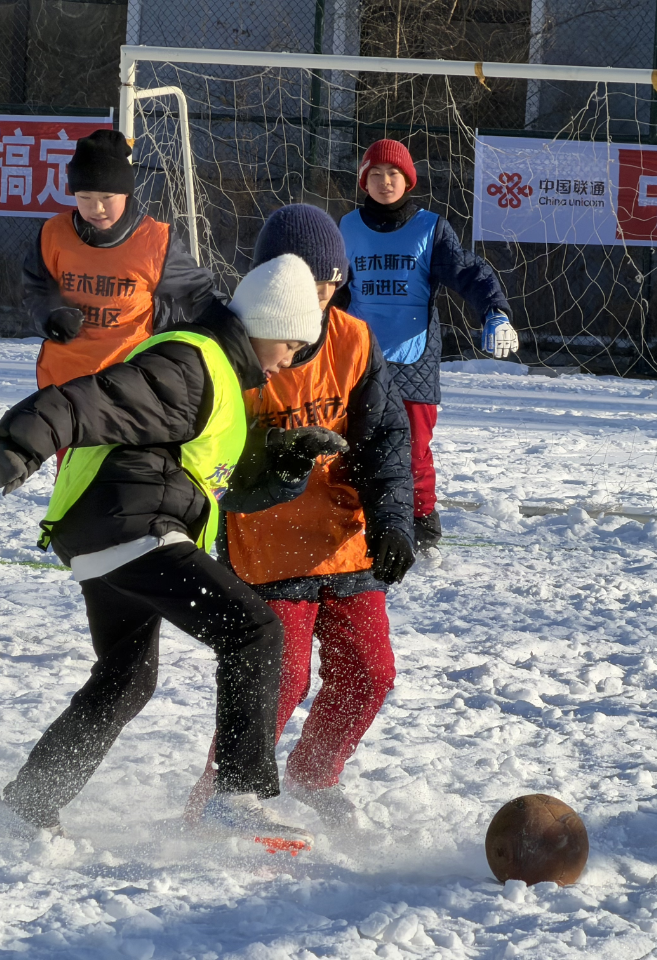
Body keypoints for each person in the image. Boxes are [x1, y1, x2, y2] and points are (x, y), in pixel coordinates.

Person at [0, 254, 347, 846]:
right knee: (253, 630)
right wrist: (25, 441)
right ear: (269, 325)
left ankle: (25, 808)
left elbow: (207, 475)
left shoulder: (219, 377)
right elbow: (98, 398)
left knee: (127, 678)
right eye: (292, 344)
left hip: (108, 534)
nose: (291, 360)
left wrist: (283, 460)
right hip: (131, 526)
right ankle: (238, 795)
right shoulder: (191, 363)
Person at [183, 204, 416, 827]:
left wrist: (395, 520)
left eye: (328, 284)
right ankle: (219, 799)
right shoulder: (234, 351)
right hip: (267, 544)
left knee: (369, 674)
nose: (318, 297)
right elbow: (218, 457)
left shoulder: (355, 340)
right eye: (305, 283)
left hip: (344, 540)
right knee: (275, 682)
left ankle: (314, 775)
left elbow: (386, 440)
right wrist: (280, 455)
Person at [338, 138, 517, 548]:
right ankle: (355, 525)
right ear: (364, 181)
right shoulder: (347, 227)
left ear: (408, 180)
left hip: (413, 360)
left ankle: (421, 525)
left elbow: (469, 272)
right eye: (376, 174)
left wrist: (495, 311)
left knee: (414, 448)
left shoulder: (429, 228)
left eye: (394, 174)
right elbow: (332, 287)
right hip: (359, 358)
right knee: (353, 443)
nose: (385, 181)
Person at [22, 128, 214, 392]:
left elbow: (199, 295)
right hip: (63, 383)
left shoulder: (156, 241)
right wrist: (50, 317)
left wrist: (234, 336)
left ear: (126, 193)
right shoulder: (53, 233)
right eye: (85, 197)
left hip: (130, 383)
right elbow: (36, 290)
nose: (96, 208)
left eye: (107, 198)